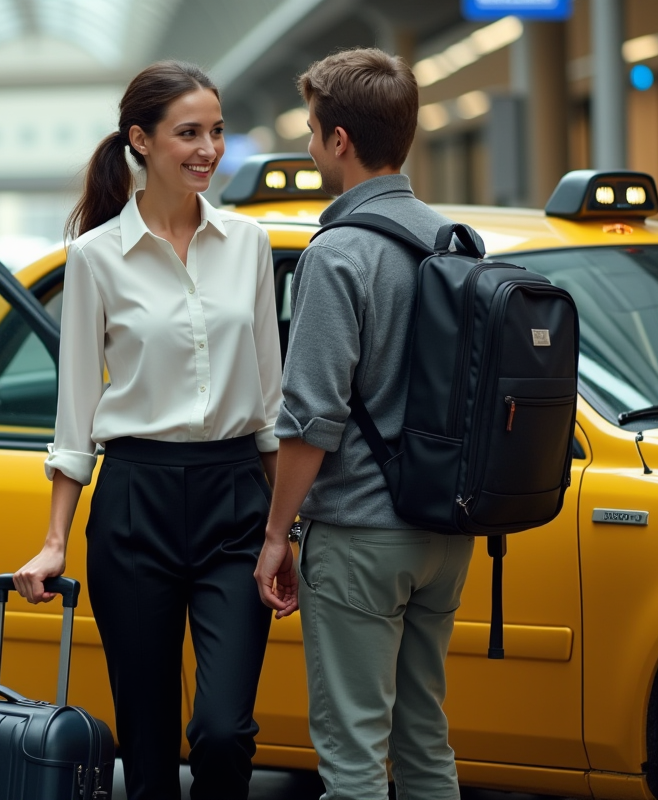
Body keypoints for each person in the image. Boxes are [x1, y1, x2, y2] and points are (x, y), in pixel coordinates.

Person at [13, 61, 283, 800]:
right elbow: (75, 417)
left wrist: (283, 527)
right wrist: (54, 540)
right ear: (141, 139)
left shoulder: (249, 246)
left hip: (235, 502)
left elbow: (269, 406)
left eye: (217, 131)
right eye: (188, 133)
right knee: (149, 740)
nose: (209, 149)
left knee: (225, 732)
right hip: (136, 504)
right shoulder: (96, 257)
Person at [254, 48, 475, 800]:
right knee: (424, 742)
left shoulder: (339, 254)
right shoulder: (454, 242)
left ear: (340, 140)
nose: (312, 147)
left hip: (359, 536)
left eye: (314, 131)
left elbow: (311, 417)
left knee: (352, 758)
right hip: (445, 531)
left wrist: (278, 533)